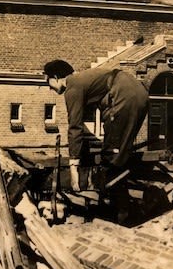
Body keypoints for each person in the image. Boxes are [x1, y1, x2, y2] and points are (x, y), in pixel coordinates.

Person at [43, 60, 149, 192]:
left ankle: (116, 204)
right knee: (121, 151)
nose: (49, 87)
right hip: (140, 91)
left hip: (123, 94)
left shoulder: (73, 86)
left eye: (48, 82)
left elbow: (75, 126)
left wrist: (73, 166)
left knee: (111, 156)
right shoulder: (85, 80)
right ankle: (119, 197)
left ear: (56, 78)